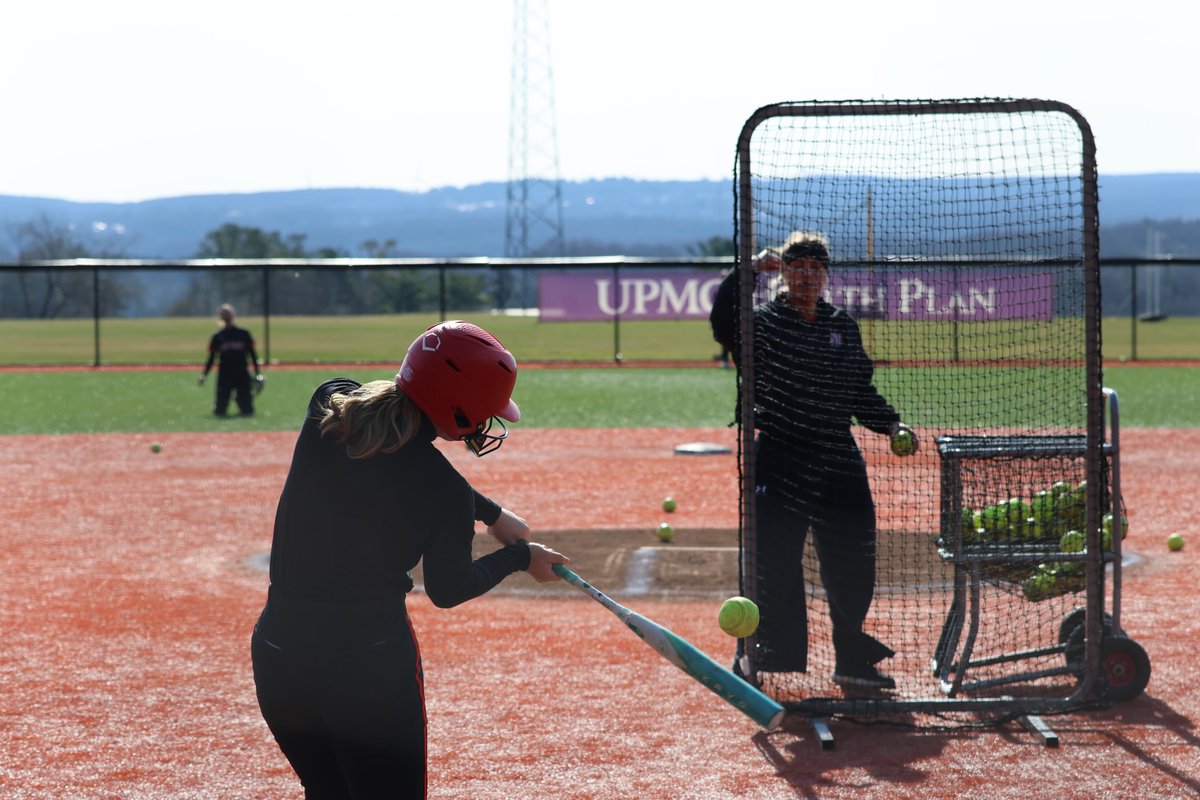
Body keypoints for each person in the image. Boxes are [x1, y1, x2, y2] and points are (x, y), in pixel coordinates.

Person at [250, 319, 569, 798]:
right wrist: (520, 556)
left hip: (279, 657)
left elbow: (392, 458)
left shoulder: (330, 404)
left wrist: (492, 512)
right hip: (368, 670)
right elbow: (448, 589)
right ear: (457, 410)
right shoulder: (444, 493)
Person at [709, 233, 917, 690]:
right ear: (783, 271)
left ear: (825, 275)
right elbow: (722, 322)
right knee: (774, 561)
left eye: (814, 268)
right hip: (783, 452)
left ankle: (851, 657)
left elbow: (860, 390)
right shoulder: (762, 324)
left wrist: (891, 424)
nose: (806, 275)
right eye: (796, 266)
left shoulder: (840, 324)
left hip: (837, 455)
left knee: (854, 555)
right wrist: (745, 271)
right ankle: (763, 652)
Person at [199, 303, 262, 416]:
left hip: (241, 372)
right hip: (225, 374)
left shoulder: (243, 334)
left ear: (233, 315)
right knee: (220, 410)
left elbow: (252, 354)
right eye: (224, 314)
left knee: (247, 410)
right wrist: (204, 374)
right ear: (220, 317)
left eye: (228, 314)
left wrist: (257, 373)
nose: (227, 317)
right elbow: (212, 358)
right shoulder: (218, 336)